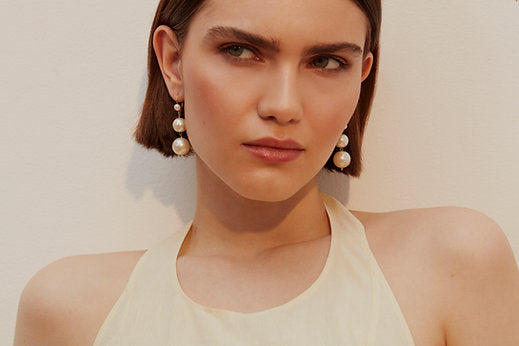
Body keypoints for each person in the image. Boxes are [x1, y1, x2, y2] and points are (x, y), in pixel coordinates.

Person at [14, 0, 519, 345]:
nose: (283, 105)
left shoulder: (451, 262)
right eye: (240, 51)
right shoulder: (70, 310)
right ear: (172, 62)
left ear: (361, 75)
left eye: (325, 61)